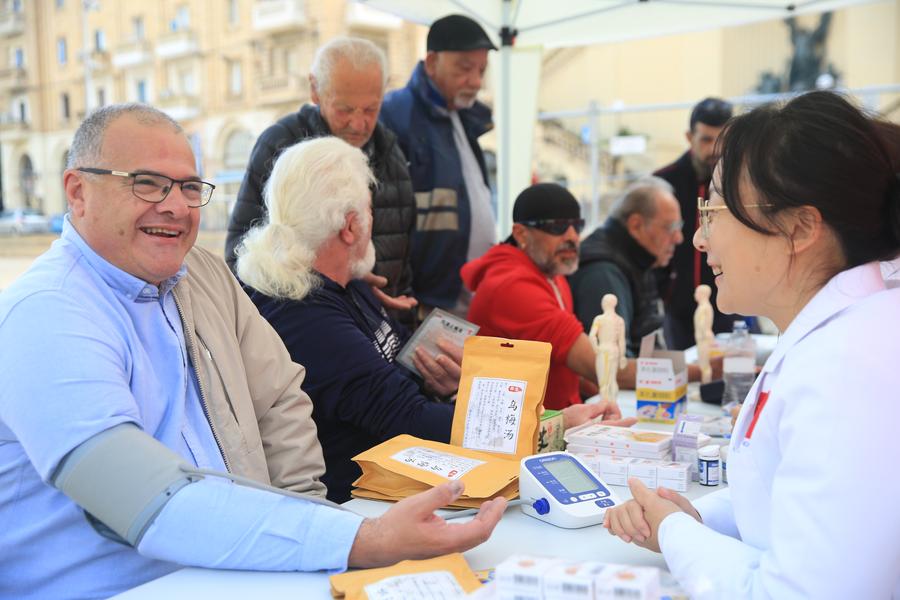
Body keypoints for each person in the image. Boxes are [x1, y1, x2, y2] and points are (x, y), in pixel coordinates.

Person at [0, 104, 507, 599]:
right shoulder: (46, 314)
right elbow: (146, 502)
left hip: (245, 571)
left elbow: (280, 399)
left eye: (189, 187)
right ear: (78, 192)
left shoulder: (201, 274)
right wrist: (356, 540)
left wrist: (309, 527)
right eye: (147, 183)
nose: (175, 206)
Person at [604, 91, 900, 598]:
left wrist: (677, 532)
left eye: (713, 211)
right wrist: (696, 517)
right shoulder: (833, 334)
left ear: (800, 227)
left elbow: (805, 591)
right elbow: (783, 495)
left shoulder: (852, 367)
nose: (699, 240)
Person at [237, 137, 626, 503]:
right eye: (370, 210)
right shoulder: (309, 317)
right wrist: (548, 428)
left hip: (406, 477)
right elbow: (406, 417)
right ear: (351, 225)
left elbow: (400, 374)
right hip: (366, 502)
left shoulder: (345, 286)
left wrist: (446, 383)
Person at [224, 37, 416, 308]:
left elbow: (404, 249)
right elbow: (242, 257)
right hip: (310, 328)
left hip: (384, 324)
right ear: (315, 90)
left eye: (372, 109)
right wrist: (352, 287)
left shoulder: (390, 149)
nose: (359, 123)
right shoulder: (280, 145)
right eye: (344, 109)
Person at [461, 182, 630, 412]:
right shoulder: (512, 286)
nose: (572, 236)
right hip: (524, 433)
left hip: (555, 420)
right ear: (521, 233)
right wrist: (688, 372)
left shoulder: (551, 272)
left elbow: (567, 365)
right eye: (557, 227)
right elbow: (601, 365)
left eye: (577, 226)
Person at [380, 14, 497, 318]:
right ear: (432, 62)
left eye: (481, 70)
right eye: (464, 68)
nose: (475, 81)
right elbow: (385, 217)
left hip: (467, 297)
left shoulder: (464, 116)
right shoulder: (396, 116)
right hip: (426, 302)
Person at [655, 97, 742, 349]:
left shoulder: (742, 184)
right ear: (688, 137)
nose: (715, 148)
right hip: (678, 311)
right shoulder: (662, 184)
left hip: (732, 304)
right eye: (706, 139)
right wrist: (665, 291)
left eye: (722, 139)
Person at [570, 176, 683, 356]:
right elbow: (613, 364)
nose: (678, 238)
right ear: (636, 225)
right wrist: (697, 372)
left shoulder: (637, 259)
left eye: (680, 227)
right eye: (669, 227)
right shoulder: (603, 273)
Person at [589, 294, 627, 404]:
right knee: (612, 380)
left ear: (604, 304)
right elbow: (621, 341)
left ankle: (605, 409)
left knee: (603, 383)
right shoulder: (619, 320)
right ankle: (613, 405)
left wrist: (596, 348)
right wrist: (622, 356)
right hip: (614, 350)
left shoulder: (599, 319)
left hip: (604, 350)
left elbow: (592, 336)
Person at [693, 284, 714, 383]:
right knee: (703, 364)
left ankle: (705, 386)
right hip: (702, 338)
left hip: (704, 338)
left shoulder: (704, 308)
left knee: (704, 365)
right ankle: (704, 385)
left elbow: (703, 324)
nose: (695, 295)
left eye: (697, 292)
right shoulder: (703, 307)